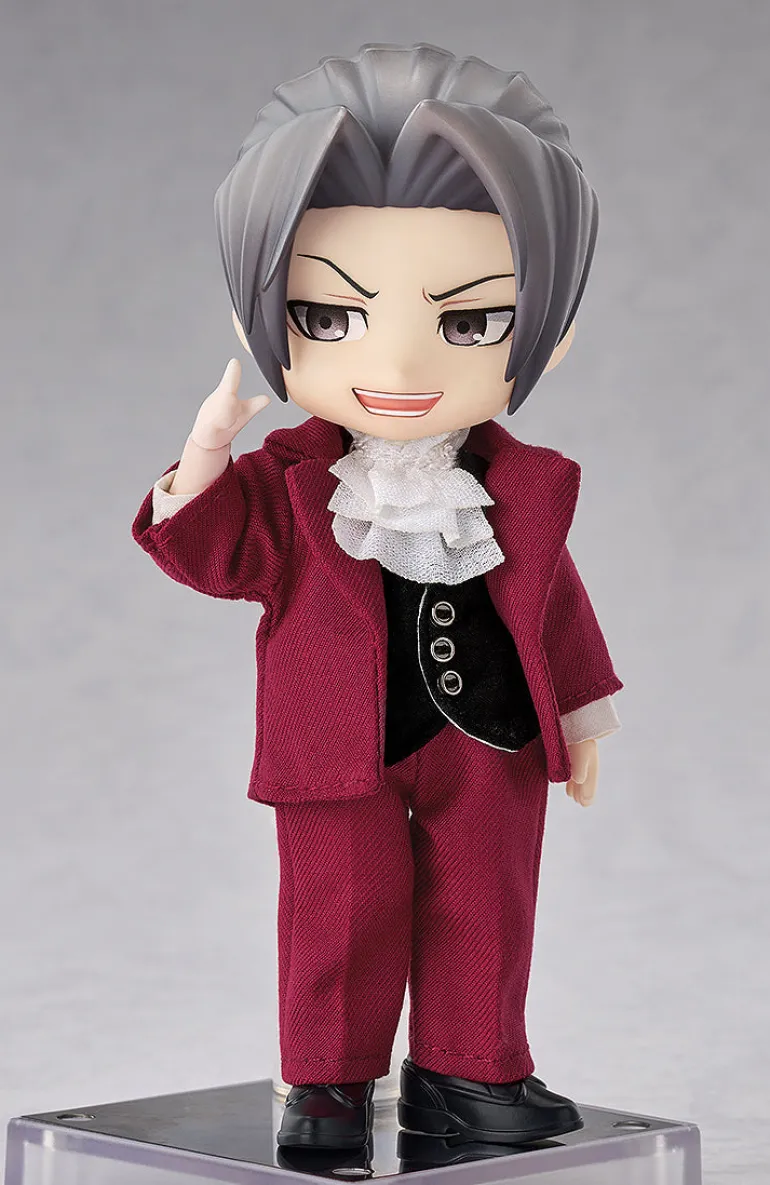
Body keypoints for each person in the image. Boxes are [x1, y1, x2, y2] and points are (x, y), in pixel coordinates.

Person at [132, 43, 623, 1151]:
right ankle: (326, 1083)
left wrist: (582, 713)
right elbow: (209, 554)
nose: (397, 364)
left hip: (490, 736)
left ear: (548, 329)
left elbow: (549, 599)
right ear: (261, 315)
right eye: (329, 315)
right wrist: (203, 457)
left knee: (487, 899)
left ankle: (471, 1071)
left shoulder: (514, 487)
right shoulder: (289, 486)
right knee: (337, 907)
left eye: (471, 322)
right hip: (332, 742)